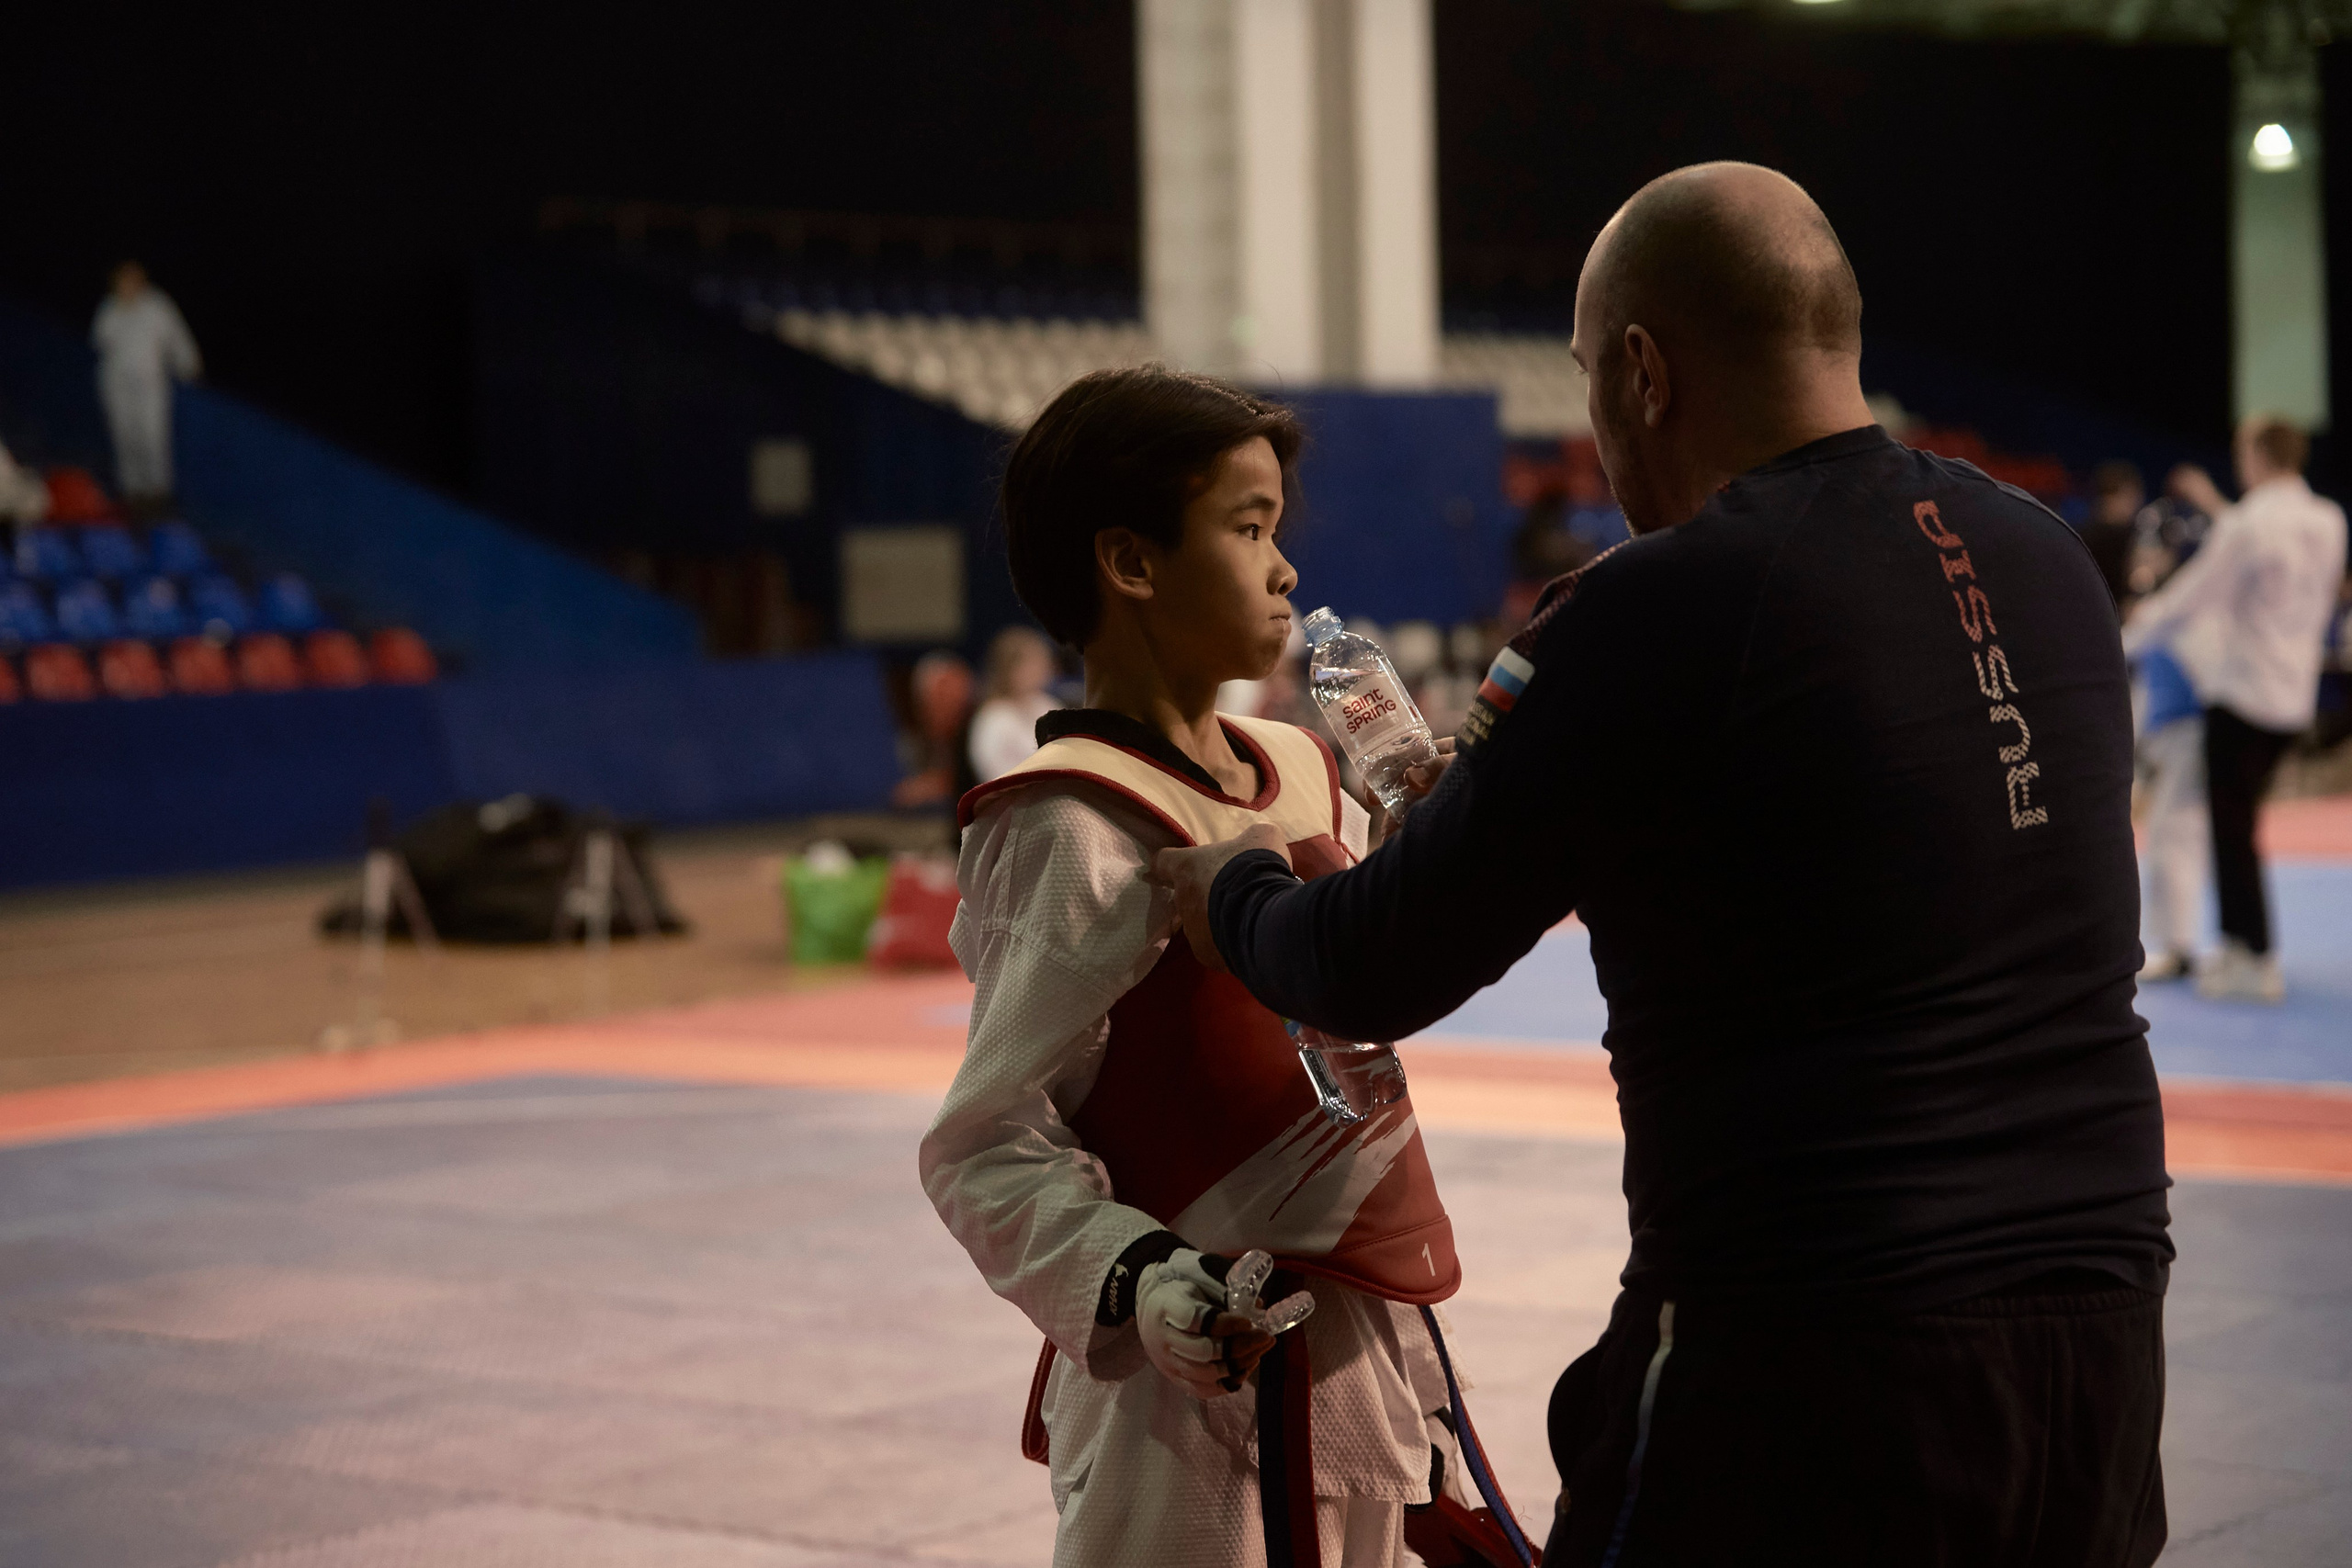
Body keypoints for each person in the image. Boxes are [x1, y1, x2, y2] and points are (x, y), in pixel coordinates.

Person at [1159, 164, 2173, 1566]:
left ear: (1642, 370)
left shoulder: (1658, 602)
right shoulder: (2046, 556)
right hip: (2106, 1344)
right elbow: (1852, 842)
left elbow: (1372, 961)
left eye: (1587, 380)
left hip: (1816, 1351)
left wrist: (1229, 886)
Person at [919, 367, 1518, 1568]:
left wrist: (1426, 852)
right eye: (1247, 528)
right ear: (1131, 563)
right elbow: (982, 1144)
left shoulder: (1305, 761)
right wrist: (1141, 1280)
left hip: (1364, 1323)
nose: (1285, 565)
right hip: (1186, 1373)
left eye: (1277, 528)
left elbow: (1344, 1001)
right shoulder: (1070, 823)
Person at [2122, 416, 2347, 1002]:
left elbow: (2193, 596)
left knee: (2231, 832)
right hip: (2294, 697)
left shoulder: (2249, 523)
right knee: (2236, 828)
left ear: (2257, 455)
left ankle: (2253, 956)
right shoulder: (2327, 519)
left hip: (2242, 695)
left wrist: (2127, 636)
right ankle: (2244, 949)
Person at [91, 262, 202, 513]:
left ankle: (159, 491)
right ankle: (132, 490)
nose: (127, 284)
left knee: (153, 436)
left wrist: (189, 364)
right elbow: (98, 339)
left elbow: (177, 336)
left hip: (151, 383)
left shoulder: (157, 305)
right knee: (124, 435)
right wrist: (121, 308)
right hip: (116, 382)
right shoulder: (110, 307)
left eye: (132, 279)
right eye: (122, 280)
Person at [967, 625, 1064, 783]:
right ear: (1009, 667)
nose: (1042, 668)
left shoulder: (1046, 703)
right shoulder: (993, 717)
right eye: (1032, 662)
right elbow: (996, 776)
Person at [2081, 461, 2145, 609]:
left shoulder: (2075, 535)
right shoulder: (2127, 536)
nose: (2137, 502)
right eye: (2135, 496)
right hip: (2117, 624)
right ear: (2126, 492)